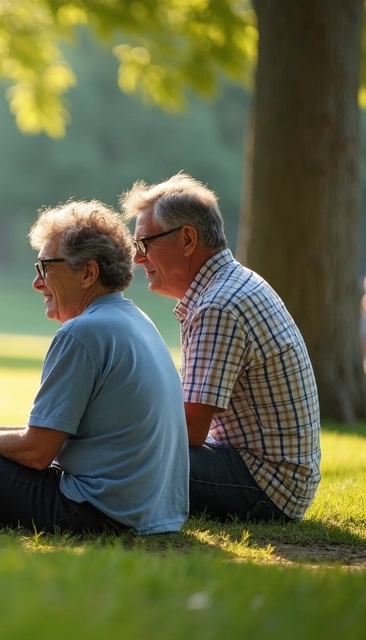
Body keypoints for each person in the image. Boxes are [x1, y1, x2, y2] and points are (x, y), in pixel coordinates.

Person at [0, 201, 188, 535]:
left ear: (88, 273)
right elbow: (51, 435)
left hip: (98, 513)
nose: (37, 283)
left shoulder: (82, 332)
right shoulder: (137, 321)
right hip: (153, 513)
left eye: (45, 268)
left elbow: (38, 451)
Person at [123, 172, 321, 522]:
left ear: (187, 239)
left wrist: (112, 431)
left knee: (117, 455)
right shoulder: (232, 284)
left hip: (268, 486)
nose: (138, 259)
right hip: (281, 477)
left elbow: (190, 432)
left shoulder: (218, 305)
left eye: (145, 244)